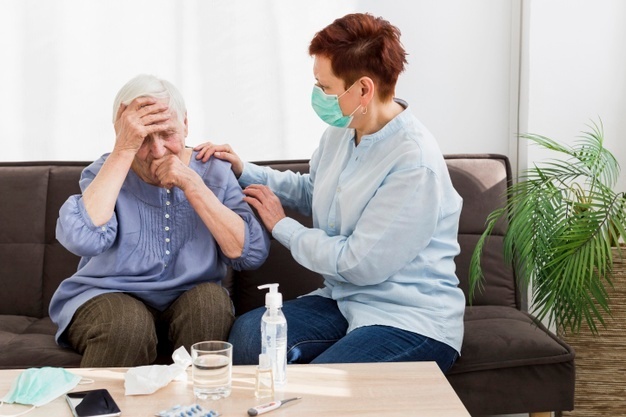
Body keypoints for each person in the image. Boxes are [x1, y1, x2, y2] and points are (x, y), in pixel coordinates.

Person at [196, 13, 465, 372]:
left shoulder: (414, 163)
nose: (318, 95)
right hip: (343, 299)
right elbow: (313, 190)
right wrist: (244, 171)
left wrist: (282, 227)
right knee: (249, 336)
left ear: (363, 90)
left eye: (325, 87)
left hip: (409, 317)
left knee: (324, 384)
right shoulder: (343, 131)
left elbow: (356, 262)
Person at [49, 74, 270, 367]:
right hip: (107, 297)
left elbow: (247, 253)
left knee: (210, 303)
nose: (157, 151)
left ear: (186, 124)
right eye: (141, 138)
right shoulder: (106, 171)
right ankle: (102, 411)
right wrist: (123, 151)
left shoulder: (214, 170)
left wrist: (193, 185)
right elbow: (82, 238)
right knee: (128, 325)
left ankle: (199, 411)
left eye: (167, 133)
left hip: (189, 301)